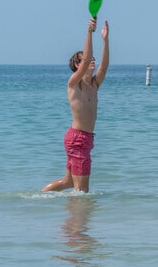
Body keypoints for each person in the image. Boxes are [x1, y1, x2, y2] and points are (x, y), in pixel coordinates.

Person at [43, 18, 109, 193]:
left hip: (83, 139)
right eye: (86, 60)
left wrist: (105, 40)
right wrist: (90, 32)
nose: (91, 61)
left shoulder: (94, 85)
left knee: (69, 183)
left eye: (92, 59)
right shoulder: (75, 83)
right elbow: (87, 58)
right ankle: (76, 220)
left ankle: (40, 198)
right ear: (77, 66)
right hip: (78, 139)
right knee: (82, 192)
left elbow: (104, 67)